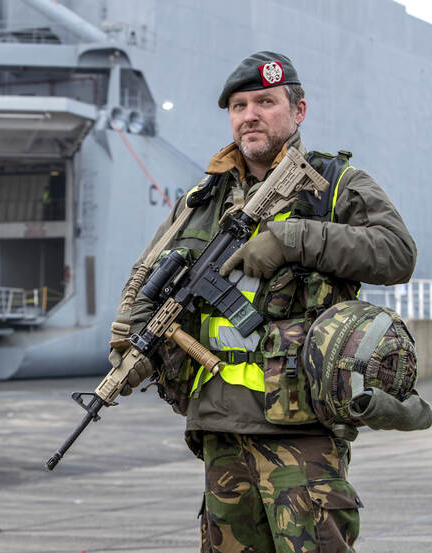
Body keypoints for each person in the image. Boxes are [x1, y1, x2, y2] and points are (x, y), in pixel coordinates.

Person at [111, 52, 415, 552]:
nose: (249, 115)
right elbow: (149, 275)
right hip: (219, 424)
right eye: (238, 105)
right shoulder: (201, 202)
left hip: (301, 422)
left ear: (298, 111)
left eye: (265, 102)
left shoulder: (334, 184)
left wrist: (295, 238)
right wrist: (130, 342)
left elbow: (396, 253)